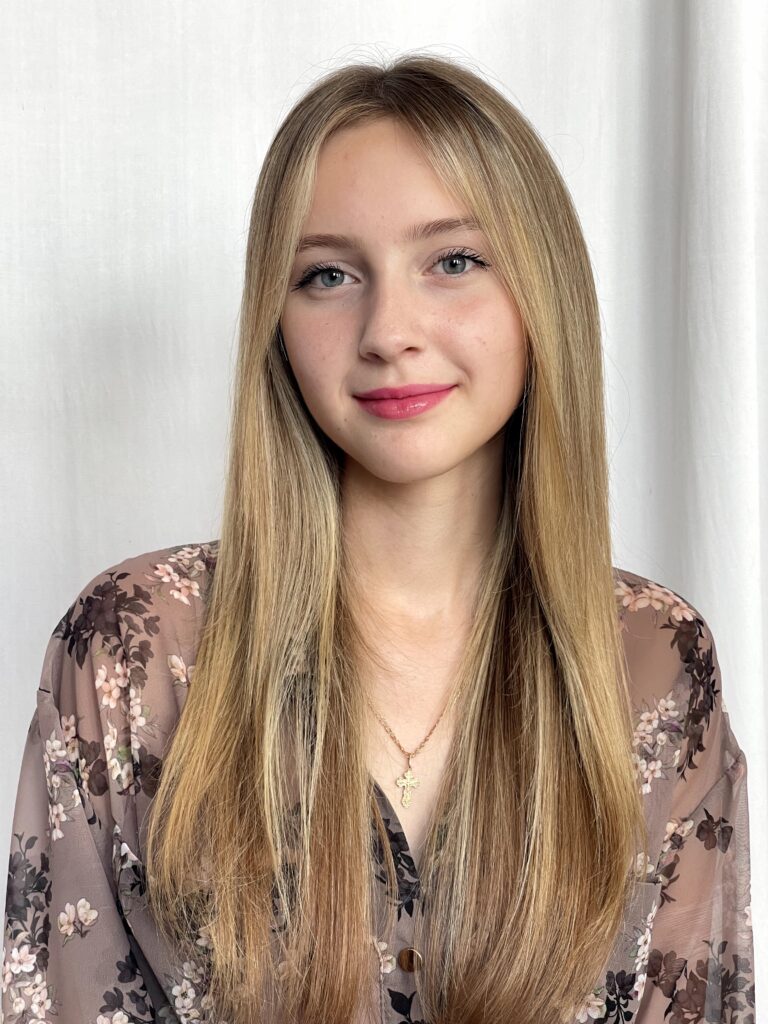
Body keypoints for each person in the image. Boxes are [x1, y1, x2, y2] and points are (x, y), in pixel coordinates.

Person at [2, 53, 755, 1024]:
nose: (389, 330)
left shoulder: (653, 660)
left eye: (454, 261)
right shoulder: (134, 651)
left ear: (544, 291)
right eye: (327, 274)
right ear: (275, 321)